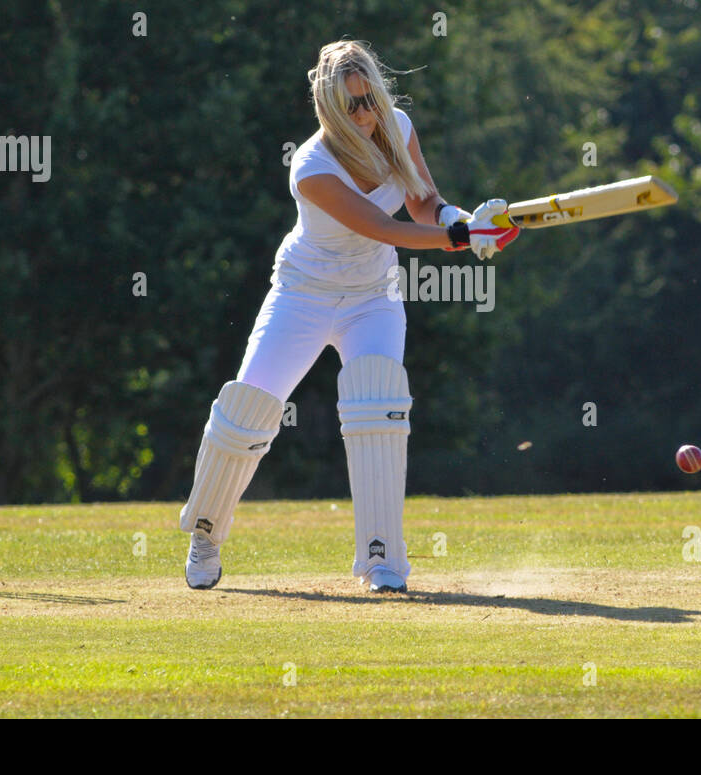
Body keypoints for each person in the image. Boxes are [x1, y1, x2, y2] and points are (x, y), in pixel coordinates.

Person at [179, 39, 520, 593]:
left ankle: (382, 560)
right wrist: (460, 238)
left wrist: (467, 218)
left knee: (378, 400)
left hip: (373, 295)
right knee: (248, 407)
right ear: (329, 109)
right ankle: (205, 531)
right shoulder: (311, 166)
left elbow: (422, 203)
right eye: (352, 106)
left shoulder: (397, 128)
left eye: (370, 101)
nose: (365, 115)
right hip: (303, 293)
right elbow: (381, 227)